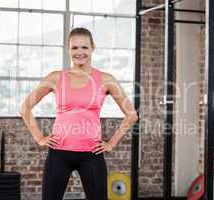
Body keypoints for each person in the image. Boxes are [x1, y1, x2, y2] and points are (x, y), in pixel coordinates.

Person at [19, 27, 138, 200]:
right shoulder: (56, 77)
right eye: (74, 48)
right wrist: (40, 138)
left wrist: (111, 143)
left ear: (92, 48)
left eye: (84, 47)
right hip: (59, 154)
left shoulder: (105, 79)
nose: (79, 52)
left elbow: (131, 114)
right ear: (68, 49)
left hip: (91, 154)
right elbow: (25, 108)